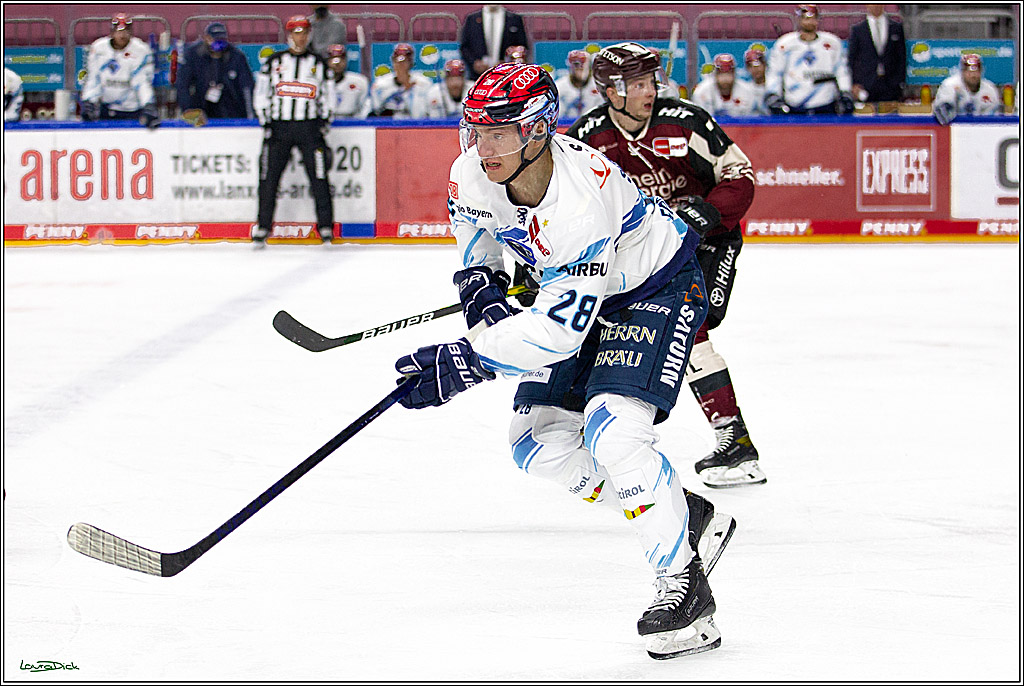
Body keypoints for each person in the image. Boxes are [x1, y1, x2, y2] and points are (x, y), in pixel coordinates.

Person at [394, 61, 737, 660]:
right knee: (536, 442)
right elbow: (481, 240)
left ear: (536, 131)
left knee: (614, 432)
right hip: (581, 289)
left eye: (497, 132)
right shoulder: (470, 169)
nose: (481, 144)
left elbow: (558, 331)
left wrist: (466, 360)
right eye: (474, 129)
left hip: (654, 286)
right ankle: (681, 512)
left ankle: (684, 589)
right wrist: (481, 292)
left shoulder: (579, 201)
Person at [565, 42, 766, 489]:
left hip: (706, 243)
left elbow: (741, 176)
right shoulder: (587, 138)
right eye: (636, 84)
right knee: (600, 328)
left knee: (690, 326)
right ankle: (605, 435)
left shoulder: (686, 120)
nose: (649, 91)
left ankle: (735, 442)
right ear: (611, 90)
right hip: (642, 253)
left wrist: (705, 214)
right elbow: (567, 207)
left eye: (650, 81)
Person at [252, 15, 335, 246]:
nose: (301, 37)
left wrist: (324, 120)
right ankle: (263, 226)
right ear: (290, 35)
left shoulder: (318, 63)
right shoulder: (274, 62)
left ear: (309, 35)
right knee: (268, 178)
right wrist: (265, 120)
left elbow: (328, 95)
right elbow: (261, 93)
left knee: (319, 177)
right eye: (296, 32)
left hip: (309, 127)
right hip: (278, 128)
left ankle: (325, 226)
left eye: (305, 32)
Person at [764, 4, 854, 115]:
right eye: (806, 18)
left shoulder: (832, 43)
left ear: (818, 20)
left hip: (825, 104)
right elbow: (775, 72)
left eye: (812, 18)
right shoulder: (785, 44)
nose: (809, 22)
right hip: (795, 104)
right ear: (798, 19)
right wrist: (773, 95)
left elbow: (841, 70)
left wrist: (845, 92)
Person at [79, 13, 159, 128]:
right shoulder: (99, 48)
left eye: (126, 31)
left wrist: (148, 104)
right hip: (106, 107)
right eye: (119, 31)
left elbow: (142, 82)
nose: (122, 35)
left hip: (132, 108)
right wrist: (89, 101)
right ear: (112, 32)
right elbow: (93, 77)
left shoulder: (141, 50)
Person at [175, 22, 255, 125]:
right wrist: (189, 110)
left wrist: (250, 115)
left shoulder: (236, 56)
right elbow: (182, 84)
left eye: (222, 40)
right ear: (207, 38)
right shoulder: (193, 54)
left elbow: (246, 85)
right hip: (201, 106)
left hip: (230, 107)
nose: (219, 43)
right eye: (215, 39)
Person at [848, 5, 906, 104]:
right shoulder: (858, 30)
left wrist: (899, 81)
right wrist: (854, 84)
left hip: (890, 85)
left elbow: (901, 57)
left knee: (890, 118)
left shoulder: (896, 28)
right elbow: (852, 58)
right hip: (866, 85)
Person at [459, 5, 530, 80]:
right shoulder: (472, 19)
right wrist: (474, 63)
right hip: (478, 77)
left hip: (506, 77)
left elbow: (522, 47)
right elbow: (465, 47)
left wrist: (507, 63)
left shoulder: (514, 19)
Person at [933, 52, 1002, 125]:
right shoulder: (950, 86)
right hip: (955, 129)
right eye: (969, 72)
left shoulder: (989, 89)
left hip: (981, 129)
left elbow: (996, 117)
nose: (973, 75)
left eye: (976, 71)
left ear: (981, 71)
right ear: (962, 72)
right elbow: (941, 114)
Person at [369, 43, 432, 118]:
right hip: (387, 126)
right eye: (398, 61)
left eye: (405, 61)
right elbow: (375, 110)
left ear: (411, 63)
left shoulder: (423, 83)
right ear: (393, 62)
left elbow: (424, 113)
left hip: (415, 125)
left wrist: (408, 88)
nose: (401, 65)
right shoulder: (380, 84)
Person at [690, 54, 766, 116]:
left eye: (728, 74)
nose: (725, 79)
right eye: (722, 74)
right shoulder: (701, 91)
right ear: (715, 74)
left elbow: (750, 121)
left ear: (734, 74)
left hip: (740, 131)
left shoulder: (747, 91)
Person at [555, 50, 603, 120]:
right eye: (576, 65)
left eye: (583, 65)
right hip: (566, 126)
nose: (580, 68)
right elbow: (557, 116)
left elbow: (601, 112)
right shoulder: (559, 87)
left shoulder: (598, 86)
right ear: (570, 66)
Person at [326, 44, 369, 119]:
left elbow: (365, 106)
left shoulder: (359, 81)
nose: (337, 64)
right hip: (326, 120)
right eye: (333, 60)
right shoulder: (320, 82)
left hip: (352, 122)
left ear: (346, 60)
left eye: (341, 59)